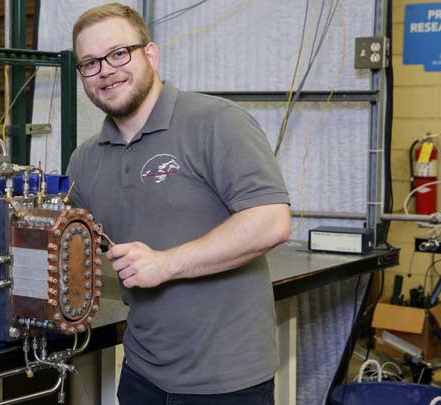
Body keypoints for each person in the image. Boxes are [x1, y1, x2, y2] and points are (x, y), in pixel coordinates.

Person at [67, 3, 291, 404]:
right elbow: (76, 246)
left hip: (228, 381)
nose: (106, 70)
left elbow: (270, 221)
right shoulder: (86, 159)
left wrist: (165, 264)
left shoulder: (216, 122)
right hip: (141, 374)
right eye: (90, 63)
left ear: (150, 54)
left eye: (119, 53)